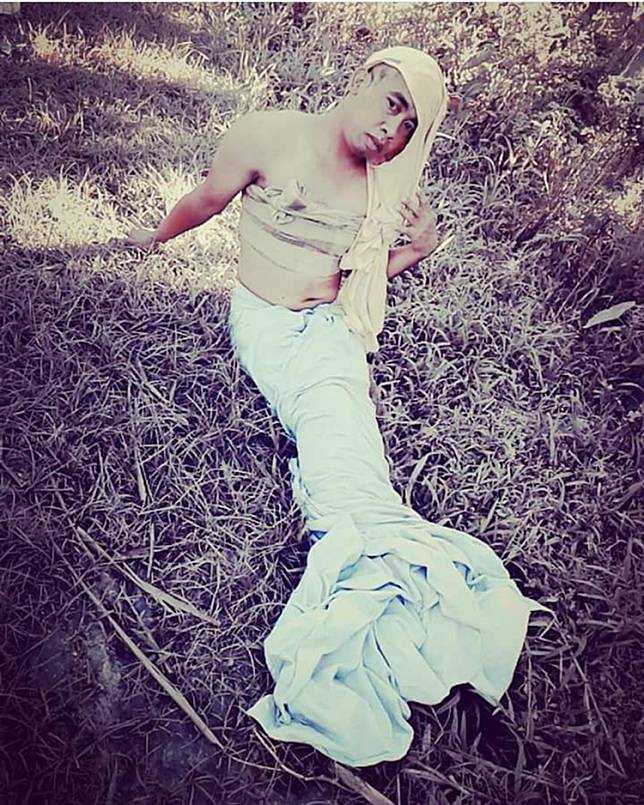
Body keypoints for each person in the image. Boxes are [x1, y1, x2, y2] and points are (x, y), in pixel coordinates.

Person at [126, 46, 553, 768]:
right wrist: (156, 237)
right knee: (326, 414)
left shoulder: (379, 189)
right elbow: (206, 200)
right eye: (392, 103)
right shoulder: (266, 134)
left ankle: (365, 540)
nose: (392, 129)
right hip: (267, 322)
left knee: (341, 429)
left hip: (328, 328)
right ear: (363, 80)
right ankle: (362, 546)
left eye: (409, 126)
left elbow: (359, 278)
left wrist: (418, 250)